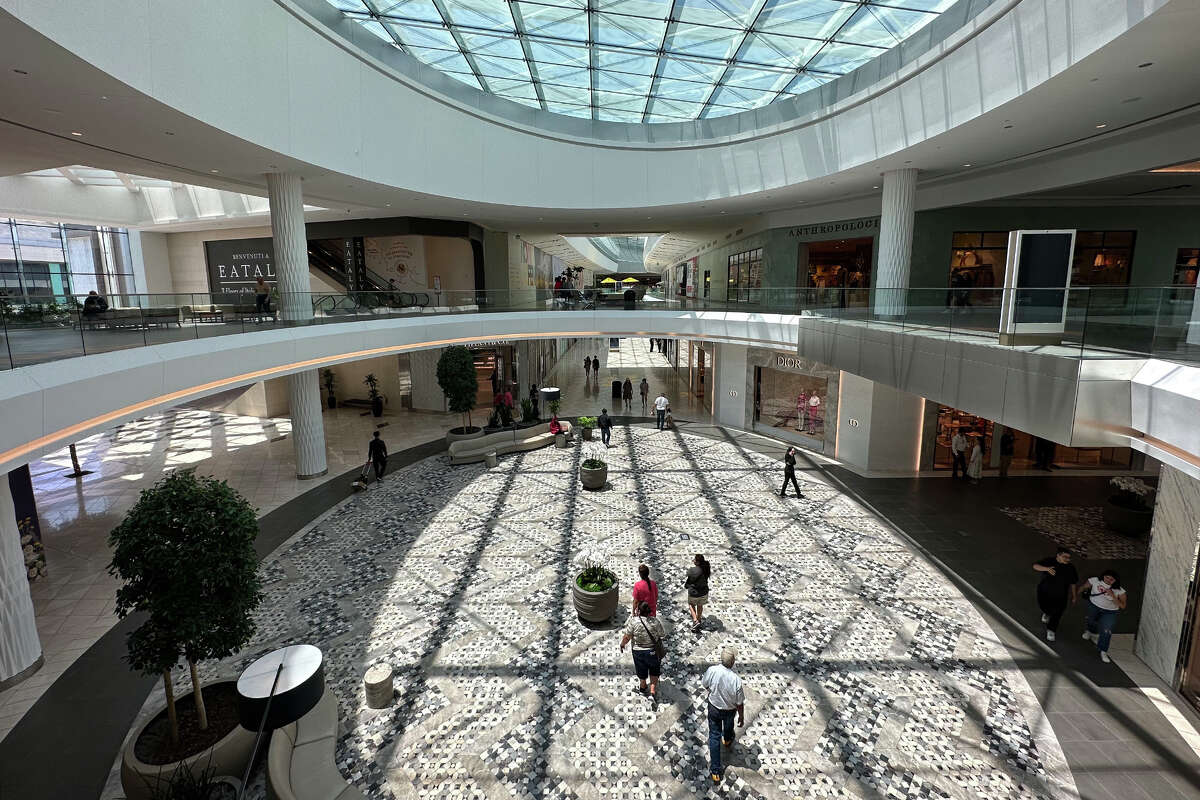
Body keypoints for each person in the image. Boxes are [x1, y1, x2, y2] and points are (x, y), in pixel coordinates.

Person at [702, 647, 745, 784]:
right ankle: (727, 739)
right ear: (732, 662)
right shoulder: (736, 680)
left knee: (714, 736)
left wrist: (712, 691)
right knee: (728, 725)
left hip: (713, 707)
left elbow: (705, 684)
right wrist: (741, 716)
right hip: (729, 710)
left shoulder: (712, 670)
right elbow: (739, 703)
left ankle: (715, 771)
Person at [620, 601, 665, 709]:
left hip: (638, 652)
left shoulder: (634, 622)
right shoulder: (655, 621)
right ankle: (653, 690)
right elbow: (662, 634)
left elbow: (627, 636)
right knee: (654, 670)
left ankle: (643, 687)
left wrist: (622, 644)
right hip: (653, 651)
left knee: (641, 670)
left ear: (639, 611)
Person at [1078, 570, 1127, 663]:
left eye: (1111, 579)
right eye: (1106, 577)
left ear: (1115, 581)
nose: (1108, 580)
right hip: (1094, 606)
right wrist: (1075, 596)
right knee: (1091, 620)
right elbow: (1084, 587)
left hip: (1110, 612)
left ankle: (1103, 650)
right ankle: (1091, 631)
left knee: (1106, 630)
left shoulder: (1120, 591)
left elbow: (1123, 606)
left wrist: (1112, 595)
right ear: (1103, 576)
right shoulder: (1095, 580)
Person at [1033, 548, 1077, 641]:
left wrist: (1074, 595)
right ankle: (1047, 612)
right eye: (1065, 557)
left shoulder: (1071, 567)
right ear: (1058, 555)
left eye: (1069, 558)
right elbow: (1035, 566)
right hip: (1044, 591)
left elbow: (1073, 582)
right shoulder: (1049, 561)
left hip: (1061, 595)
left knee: (1058, 612)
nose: (1067, 559)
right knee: (1044, 606)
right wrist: (1047, 569)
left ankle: (1051, 630)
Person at [685, 554, 710, 632]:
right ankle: (699, 620)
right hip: (704, 592)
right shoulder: (706, 568)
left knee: (691, 605)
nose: (694, 561)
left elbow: (687, 574)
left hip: (694, 592)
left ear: (697, 562)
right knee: (700, 606)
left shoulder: (692, 570)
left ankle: (695, 620)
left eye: (694, 560)